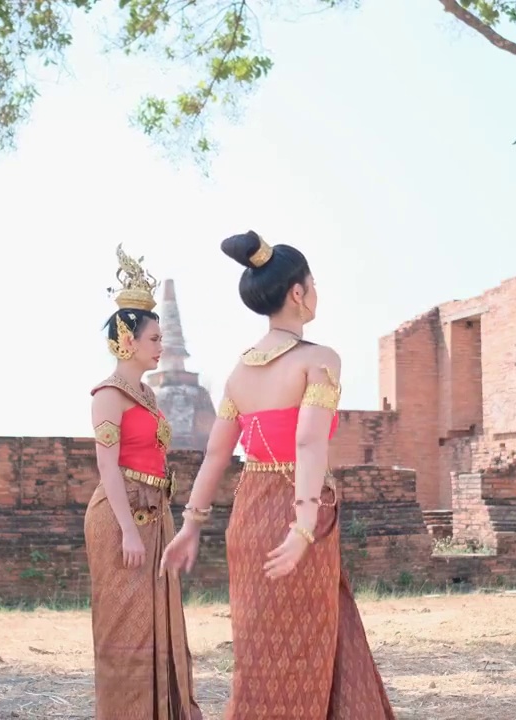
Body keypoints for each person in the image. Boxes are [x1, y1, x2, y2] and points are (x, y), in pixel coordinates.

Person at [160, 231, 396, 719]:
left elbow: (214, 456)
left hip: (249, 516)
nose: (315, 291)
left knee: (264, 654)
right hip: (297, 512)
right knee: (305, 651)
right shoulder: (319, 360)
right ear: (297, 292)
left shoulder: (238, 375)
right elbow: (309, 441)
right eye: (313, 283)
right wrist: (303, 525)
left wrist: (190, 526)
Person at [85, 245, 203, 720]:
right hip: (120, 517)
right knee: (126, 624)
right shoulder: (107, 396)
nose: (161, 346)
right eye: (154, 338)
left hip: (157, 510)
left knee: (160, 617)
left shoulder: (148, 394)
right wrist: (129, 530)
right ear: (127, 340)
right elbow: (107, 467)